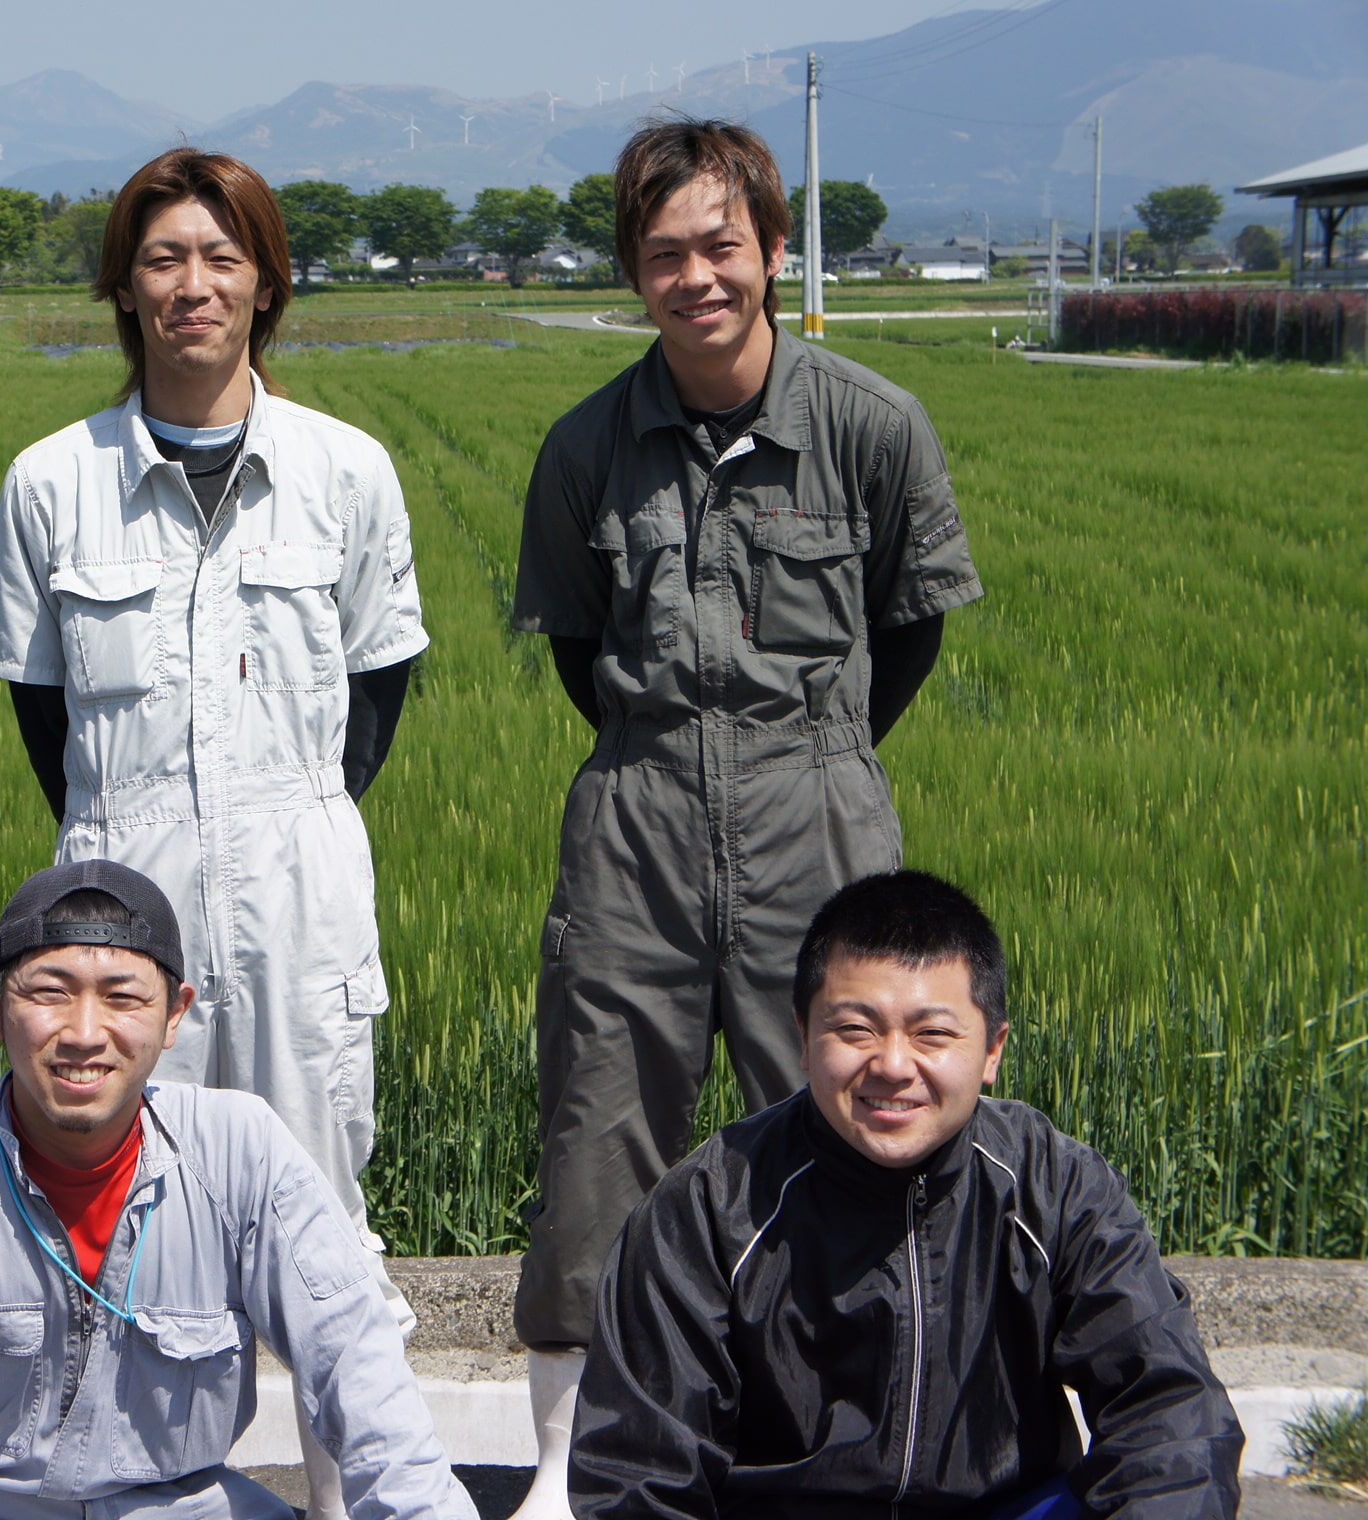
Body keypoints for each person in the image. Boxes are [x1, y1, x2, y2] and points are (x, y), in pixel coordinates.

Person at [505, 119, 986, 1515]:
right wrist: (678, 760)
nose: (697, 277)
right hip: (637, 812)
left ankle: (855, 1437)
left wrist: (812, 759)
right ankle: (568, 1462)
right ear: (634, 272)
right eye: (666, 254)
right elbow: (579, 656)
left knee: (851, 1117)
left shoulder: (871, 426)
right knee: (601, 1131)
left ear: (775, 251)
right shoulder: (587, 447)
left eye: (723, 245)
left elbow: (908, 635)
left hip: (817, 809)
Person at [0, 154, 426, 1461]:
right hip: (119, 907)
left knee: (323, 1228)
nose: (194, 285)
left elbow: (375, 695)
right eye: (165, 258)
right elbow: (44, 717)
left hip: (300, 901)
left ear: (266, 284)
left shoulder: (346, 471)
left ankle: (356, 1494)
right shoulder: (51, 481)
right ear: (125, 287)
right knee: (126, 1219)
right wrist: (134, 840)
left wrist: (277, 826)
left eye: (223, 258)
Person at [0, 860, 476, 1520]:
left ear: (175, 1014)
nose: (85, 1032)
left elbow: (360, 1370)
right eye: (49, 993)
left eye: (123, 998)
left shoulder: (242, 1152)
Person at [569, 870, 1243, 1519]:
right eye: (855, 1029)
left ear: (992, 1050)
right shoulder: (707, 1210)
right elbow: (638, 1480)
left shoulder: (1056, 1188)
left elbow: (1172, 1415)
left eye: (932, 1034)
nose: (893, 1066)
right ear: (803, 1037)